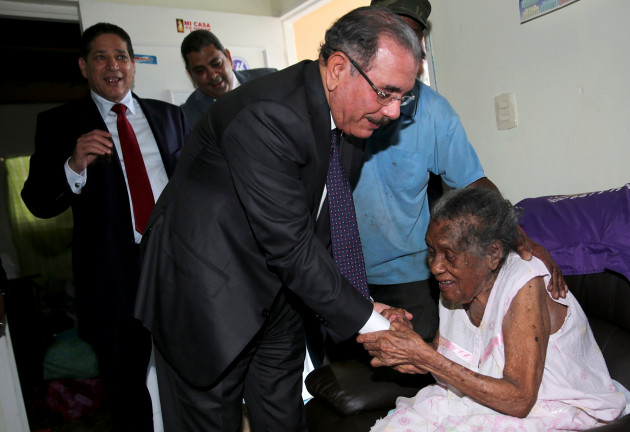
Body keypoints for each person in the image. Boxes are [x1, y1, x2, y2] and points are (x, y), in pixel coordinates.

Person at [134, 7, 422, 432]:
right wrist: (372, 324)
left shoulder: (353, 119)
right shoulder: (268, 113)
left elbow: (327, 223)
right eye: (386, 92)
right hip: (204, 293)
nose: (394, 112)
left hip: (278, 292)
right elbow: (291, 246)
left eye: (404, 97)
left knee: (284, 417)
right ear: (338, 69)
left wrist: (364, 304)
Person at [355, 0, 565, 341]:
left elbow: (473, 183)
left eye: (413, 35)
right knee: (340, 371)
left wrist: (519, 237)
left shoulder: (432, 111)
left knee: (419, 365)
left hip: (409, 278)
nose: (405, 44)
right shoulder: (341, 100)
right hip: (337, 275)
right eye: (393, 32)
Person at [21, 23, 189, 432]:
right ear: (84, 66)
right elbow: (38, 202)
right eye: (101, 57)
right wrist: (73, 166)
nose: (113, 66)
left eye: (121, 57)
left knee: (192, 381)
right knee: (130, 397)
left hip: (177, 271)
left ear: (132, 64)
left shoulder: (169, 116)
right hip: (113, 285)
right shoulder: (59, 123)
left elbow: (195, 187)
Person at [359, 188, 626, 431]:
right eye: (432, 251)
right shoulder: (456, 284)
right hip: (479, 401)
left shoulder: (524, 282)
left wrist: (424, 356)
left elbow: (520, 400)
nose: (436, 267)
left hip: (550, 408)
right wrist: (405, 346)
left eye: (449, 255)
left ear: (493, 254)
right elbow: (442, 356)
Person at [180, 29, 277, 125]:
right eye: (200, 71)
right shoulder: (187, 116)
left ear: (229, 58)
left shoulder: (270, 79)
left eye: (216, 64)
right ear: (190, 74)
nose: (213, 75)